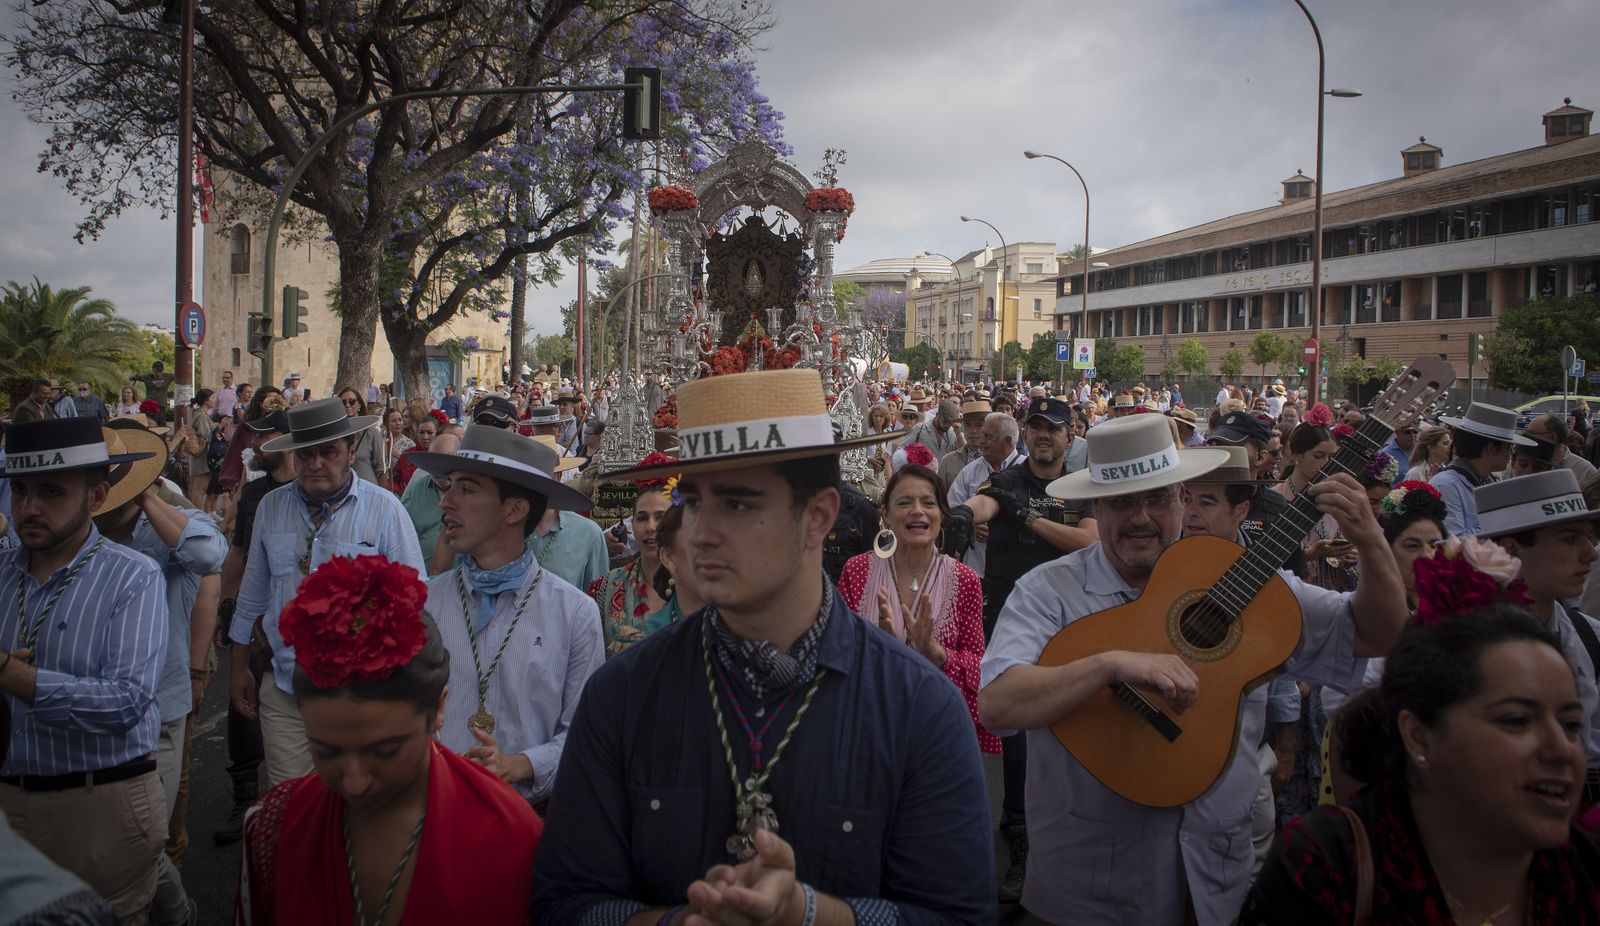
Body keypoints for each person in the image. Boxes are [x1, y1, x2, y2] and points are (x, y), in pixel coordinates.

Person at [532, 368, 995, 924]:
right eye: (696, 502)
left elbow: (958, 913)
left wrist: (814, 915)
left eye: (740, 504)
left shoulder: (917, 707)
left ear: (818, 517)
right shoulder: (621, 697)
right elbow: (566, 902)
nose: (699, 532)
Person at [979, 413, 1410, 924]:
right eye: (1122, 502)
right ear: (1097, 505)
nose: (1141, 517)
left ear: (1181, 499)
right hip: (1090, 889)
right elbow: (998, 703)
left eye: (1158, 498)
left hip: (1215, 884)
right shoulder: (1049, 590)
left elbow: (1378, 634)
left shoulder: (1242, 582)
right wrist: (1107, 665)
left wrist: (1371, 541)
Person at [1243, 607, 1600, 924]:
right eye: (1517, 720)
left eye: (1570, 725)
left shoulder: (1584, 871)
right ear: (1419, 736)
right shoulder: (1324, 868)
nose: (1561, 750)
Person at [237, 556, 542, 925]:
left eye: (385, 751)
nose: (354, 781)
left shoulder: (510, 837)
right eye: (326, 751)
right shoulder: (274, 828)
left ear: (438, 709)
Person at [0, 418, 170, 921]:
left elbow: (124, 703)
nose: (29, 507)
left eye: (51, 492)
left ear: (97, 495)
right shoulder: (2, 576)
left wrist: (14, 676)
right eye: (20, 490)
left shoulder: (133, 577)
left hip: (101, 808)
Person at [228, 397, 426, 787]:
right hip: (285, 689)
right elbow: (253, 593)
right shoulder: (270, 507)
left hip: (361, 697)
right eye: (305, 454)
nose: (316, 463)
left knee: (353, 808)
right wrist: (238, 669)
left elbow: (415, 601)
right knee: (291, 806)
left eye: (328, 452)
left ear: (351, 452)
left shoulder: (386, 510)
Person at [945, 396, 1095, 903]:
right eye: (1036, 428)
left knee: (1072, 730)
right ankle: (1019, 838)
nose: (1044, 436)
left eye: (1053, 428)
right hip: (1009, 618)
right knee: (1017, 737)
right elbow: (984, 503)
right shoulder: (1007, 484)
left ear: (1069, 437)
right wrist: (965, 514)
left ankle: (1069, 839)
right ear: (1025, 436)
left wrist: (1030, 521)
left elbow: (1088, 543)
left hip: (1071, 624)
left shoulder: (1081, 488)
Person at [408, 424, 604, 807]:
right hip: (435, 814)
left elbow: (585, 735)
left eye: (467, 489)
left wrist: (521, 764)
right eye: (449, 486)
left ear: (515, 509)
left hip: (530, 822)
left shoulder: (574, 614)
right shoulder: (426, 605)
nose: (446, 502)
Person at [93, 421, 224, 924]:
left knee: (144, 839)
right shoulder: (74, 532)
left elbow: (208, 556)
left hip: (158, 710)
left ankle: (174, 913)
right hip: (92, 715)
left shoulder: (164, 522)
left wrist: (146, 496)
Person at [837, 464, 999, 755]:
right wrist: (876, 649)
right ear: (884, 513)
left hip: (939, 733)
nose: (917, 511)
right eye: (904, 503)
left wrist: (938, 654)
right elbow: (837, 652)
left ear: (942, 514)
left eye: (928, 502)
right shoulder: (857, 570)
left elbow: (979, 669)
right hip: (870, 731)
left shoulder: (965, 580)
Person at [1475, 470, 1600, 785]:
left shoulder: (1590, 637)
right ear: (1512, 549)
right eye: (1570, 539)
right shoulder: (1459, 646)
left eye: (1589, 537)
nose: (1590, 553)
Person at [213, 409, 295, 846]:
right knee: (243, 705)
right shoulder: (256, 495)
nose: (253, 445)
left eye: (263, 437)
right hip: (257, 619)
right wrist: (228, 608)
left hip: (296, 631)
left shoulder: (308, 493)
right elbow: (240, 555)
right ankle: (245, 797)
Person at [589, 454, 675, 655]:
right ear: (632, 525)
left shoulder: (698, 587)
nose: (650, 527)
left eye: (661, 517)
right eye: (642, 518)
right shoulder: (606, 588)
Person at [1431, 402, 1532, 537]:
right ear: (1491, 448)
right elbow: (1452, 542)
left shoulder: (1488, 480)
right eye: (1509, 447)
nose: (1511, 453)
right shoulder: (1445, 485)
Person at [335, 388, 386, 484]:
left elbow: (381, 470)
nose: (347, 405)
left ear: (359, 405)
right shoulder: (335, 435)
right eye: (343, 402)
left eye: (351, 401)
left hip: (368, 490)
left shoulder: (372, 433)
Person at [1526, 413, 1598, 481]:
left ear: (1552, 437)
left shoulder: (1584, 471)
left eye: (1532, 434)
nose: (1527, 438)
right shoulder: (1524, 462)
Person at [939, 399, 989, 487]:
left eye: (979, 425)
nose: (972, 431)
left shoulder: (996, 459)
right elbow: (940, 495)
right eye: (968, 425)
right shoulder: (948, 461)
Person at [184, 388, 217, 506]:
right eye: (212, 398)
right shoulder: (202, 416)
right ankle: (195, 513)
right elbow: (205, 435)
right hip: (202, 456)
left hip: (200, 456)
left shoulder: (199, 414)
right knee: (199, 489)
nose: (214, 401)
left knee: (196, 488)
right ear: (206, 401)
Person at [1378, 421, 1416, 488]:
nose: (1412, 435)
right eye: (1407, 432)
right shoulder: (1385, 454)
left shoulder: (1421, 451)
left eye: (1415, 432)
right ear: (1397, 433)